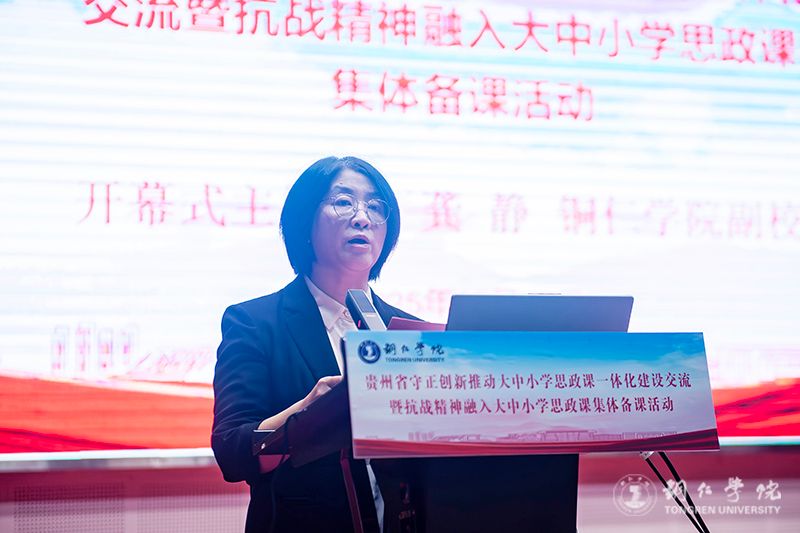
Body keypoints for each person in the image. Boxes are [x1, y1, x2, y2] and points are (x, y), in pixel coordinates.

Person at [211, 156, 417, 533]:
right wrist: (308, 412)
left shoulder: (407, 331)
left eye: (375, 207)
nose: (362, 218)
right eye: (344, 202)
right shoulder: (256, 323)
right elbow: (232, 450)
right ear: (304, 221)